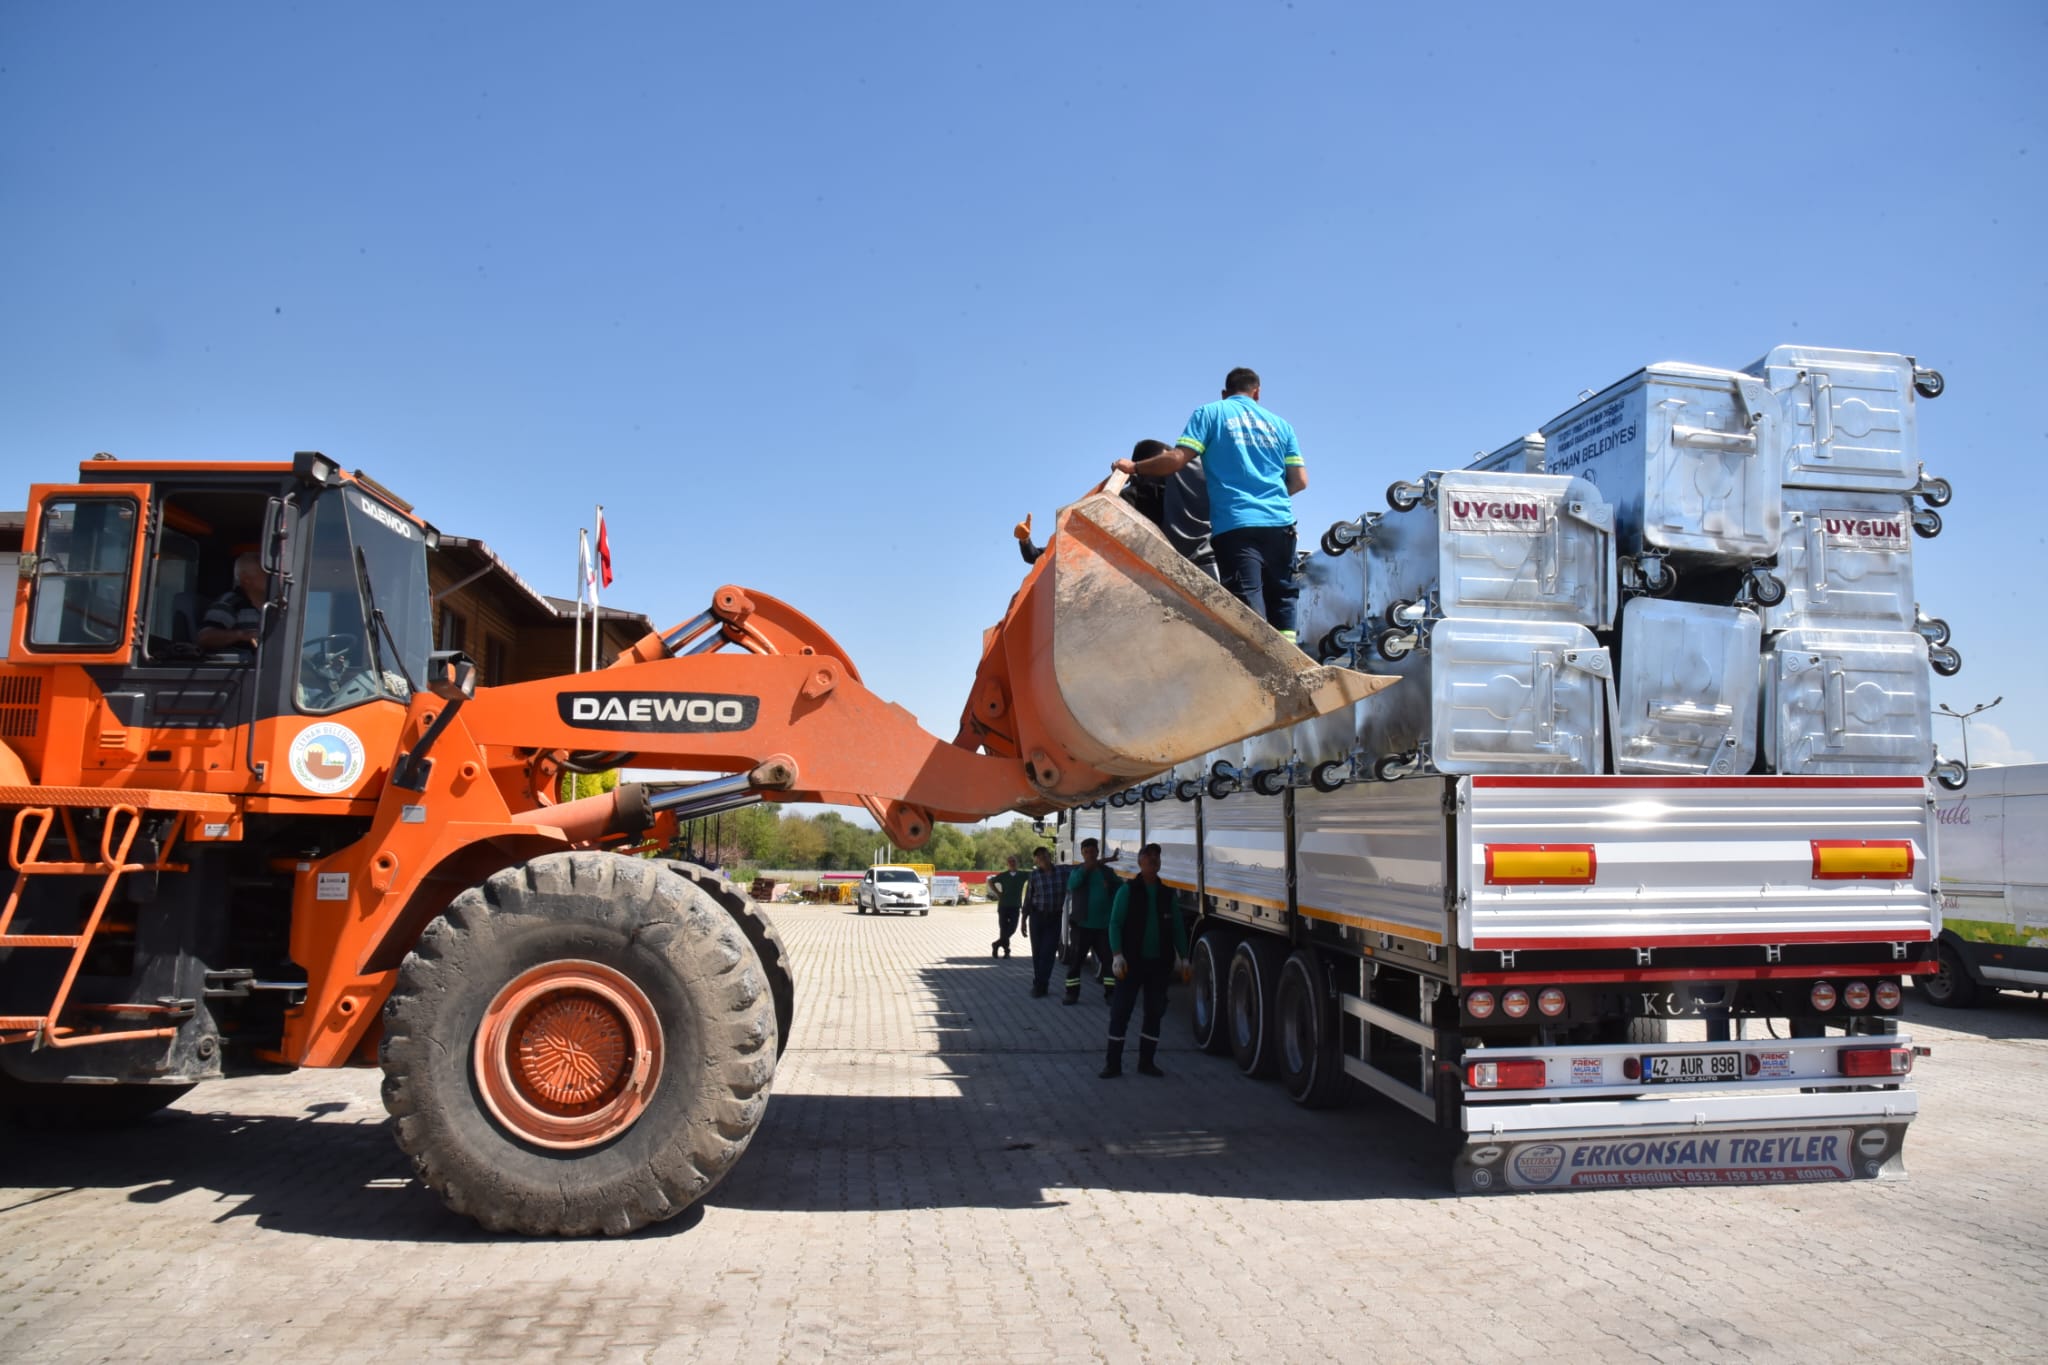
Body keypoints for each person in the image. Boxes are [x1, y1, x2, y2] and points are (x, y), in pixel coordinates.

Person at [1115, 367, 1306, 642]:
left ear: (1224, 393)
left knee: (1247, 605)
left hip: (1237, 524)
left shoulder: (1211, 413)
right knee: (1283, 597)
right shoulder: (1282, 425)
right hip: (1281, 524)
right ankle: (1291, 661)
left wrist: (1133, 467)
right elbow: (1300, 480)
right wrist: (1267, 497)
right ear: (1258, 393)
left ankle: (1262, 666)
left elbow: (1177, 458)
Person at [1013, 439, 1180, 566]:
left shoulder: (1183, 498)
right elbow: (1053, 553)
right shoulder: (1121, 503)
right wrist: (1025, 542)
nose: (1170, 471)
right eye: (1161, 464)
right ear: (1143, 467)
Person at [1100, 843, 1189, 1079]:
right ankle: (1113, 1064)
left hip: (1158, 965)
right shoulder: (1127, 891)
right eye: (1149, 858)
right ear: (1140, 862)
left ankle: (1146, 1062)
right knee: (1121, 1012)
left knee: (1155, 1012)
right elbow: (1115, 924)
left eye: (1157, 858)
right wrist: (1117, 955)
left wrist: (1185, 957)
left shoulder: (1167, 895)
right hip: (1131, 964)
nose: (1153, 861)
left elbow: (1178, 928)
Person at [1062, 837, 1121, 1006]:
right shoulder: (1078, 871)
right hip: (1082, 926)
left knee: (1109, 962)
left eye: (1093, 851)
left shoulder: (1107, 872)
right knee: (1076, 962)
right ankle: (1071, 994)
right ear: (1082, 854)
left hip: (1103, 926)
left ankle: (1111, 994)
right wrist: (1099, 862)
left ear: (1097, 852)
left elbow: (1119, 888)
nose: (1090, 855)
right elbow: (1073, 884)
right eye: (1086, 852)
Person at [196, 551, 267, 654]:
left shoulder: (274, 604)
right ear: (246, 580)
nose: (271, 577)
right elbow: (204, 637)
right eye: (264, 574)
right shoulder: (230, 603)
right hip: (244, 667)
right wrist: (242, 635)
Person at [1023, 846, 1068, 997]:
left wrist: (1108, 860)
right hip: (1037, 918)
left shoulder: (1063, 871)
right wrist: (1023, 920)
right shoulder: (1034, 876)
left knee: (1048, 952)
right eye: (1039, 857)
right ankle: (1039, 985)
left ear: (1050, 856)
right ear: (1036, 861)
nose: (1043, 859)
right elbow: (1028, 899)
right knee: (1037, 953)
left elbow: (1085, 865)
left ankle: (1042, 983)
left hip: (1054, 918)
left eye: (1044, 855)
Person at [986, 854, 1031, 958]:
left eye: (1014, 861)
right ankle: (1007, 951)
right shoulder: (1003, 875)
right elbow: (990, 881)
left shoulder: (1022, 875)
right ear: (1007, 863)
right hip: (1003, 905)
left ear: (1017, 863)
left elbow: (1035, 875)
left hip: (1015, 906)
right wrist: (998, 893)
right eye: (1010, 861)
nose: (1012, 863)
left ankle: (996, 944)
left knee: (1012, 928)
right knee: (1003, 929)